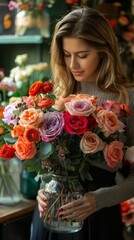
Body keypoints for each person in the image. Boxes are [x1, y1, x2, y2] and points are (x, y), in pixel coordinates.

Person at [30, 6, 134, 240]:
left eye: (82, 54)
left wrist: (99, 200)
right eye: (66, 54)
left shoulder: (128, 99)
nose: (73, 64)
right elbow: (48, 164)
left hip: (98, 219)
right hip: (49, 215)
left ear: (103, 51)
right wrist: (42, 189)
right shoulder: (57, 95)